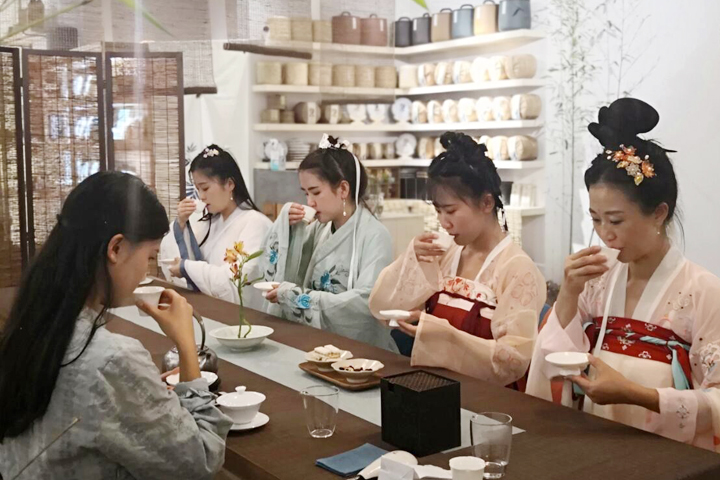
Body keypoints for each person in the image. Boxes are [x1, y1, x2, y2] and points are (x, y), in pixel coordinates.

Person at [0, 172, 232, 478]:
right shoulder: (111, 359)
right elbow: (199, 461)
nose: (145, 272)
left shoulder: (35, 326)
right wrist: (187, 346)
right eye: (149, 256)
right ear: (116, 249)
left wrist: (139, 386)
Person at [526, 98, 720, 451]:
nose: (605, 235)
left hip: (669, 459)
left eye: (615, 220)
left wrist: (636, 394)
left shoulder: (703, 291)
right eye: (595, 219)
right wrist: (568, 292)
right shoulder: (597, 280)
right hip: (594, 448)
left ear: (659, 213)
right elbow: (551, 368)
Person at [369, 132, 546, 387]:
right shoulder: (445, 253)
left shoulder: (517, 268)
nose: (444, 222)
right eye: (438, 211)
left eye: (450, 211)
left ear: (486, 203)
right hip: (434, 387)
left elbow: (513, 361)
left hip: (489, 398)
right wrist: (411, 260)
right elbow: (382, 310)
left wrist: (441, 335)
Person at [260, 134, 396, 351]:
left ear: (343, 189)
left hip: (361, 352)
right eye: (305, 193)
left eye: (315, 192)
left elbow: (365, 303)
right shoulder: (319, 228)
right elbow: (291, 269)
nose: (309, 202)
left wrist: (296, 296)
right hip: (316, 343)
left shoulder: (375, 235)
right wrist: (287, 229)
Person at [161, 145, 271, 309]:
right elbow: (175, 261)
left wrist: (187, 267)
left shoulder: (256, 223)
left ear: (229, 184)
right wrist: (181, 224)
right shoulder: (207, 223)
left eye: (205, 188)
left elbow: (236, 282)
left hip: (242, 316)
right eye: (198, 189)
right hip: (211, 311)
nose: (201, 196)